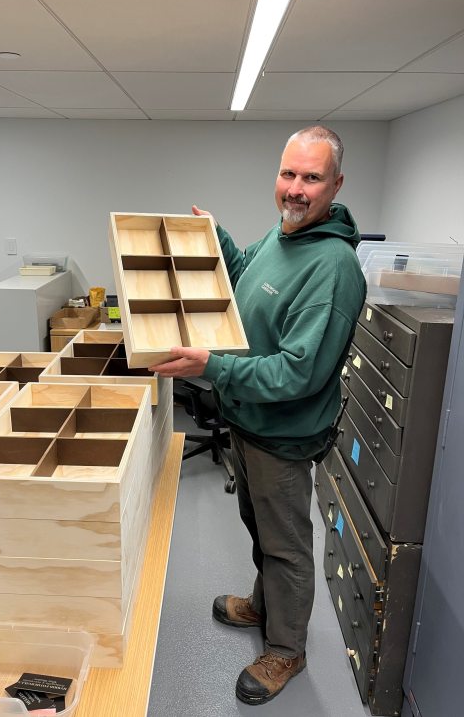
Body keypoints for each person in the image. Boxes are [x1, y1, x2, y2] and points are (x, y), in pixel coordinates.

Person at [150, 125, 366, 706]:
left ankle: (287, 650)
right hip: (249, 422)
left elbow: (298, 373)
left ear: (336, 184)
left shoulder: (334, 269)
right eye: (288, 174)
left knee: (286, 544)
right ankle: (263, 605)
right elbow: (250, 275)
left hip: (283, 436)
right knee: (259, 528)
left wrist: (212, 367)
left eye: (311, 178)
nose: (295, 189)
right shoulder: (287, 234)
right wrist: (221, 240)